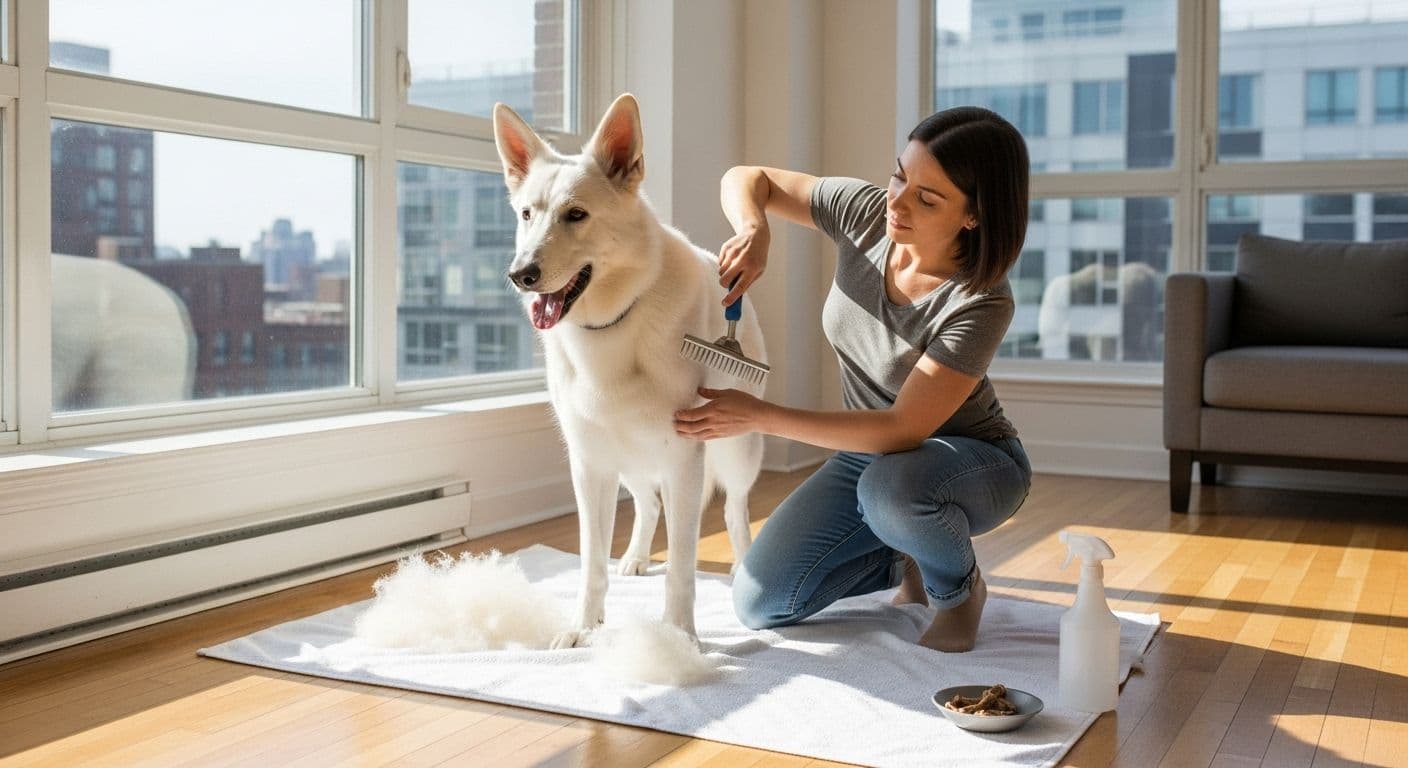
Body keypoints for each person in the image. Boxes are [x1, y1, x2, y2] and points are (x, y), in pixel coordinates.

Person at [672, 107, 1033, 653]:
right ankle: (902, 552)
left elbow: (903, 428)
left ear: (974, 217)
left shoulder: (981, 300)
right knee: (759, 601)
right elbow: (747, 178)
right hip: (871, 462)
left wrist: (760, 415)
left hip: (970, 460)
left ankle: (959, 592)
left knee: (891, 490)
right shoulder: (866, 213)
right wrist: (755, 226)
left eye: (927, 198)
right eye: (899, 175)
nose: (898, 200)